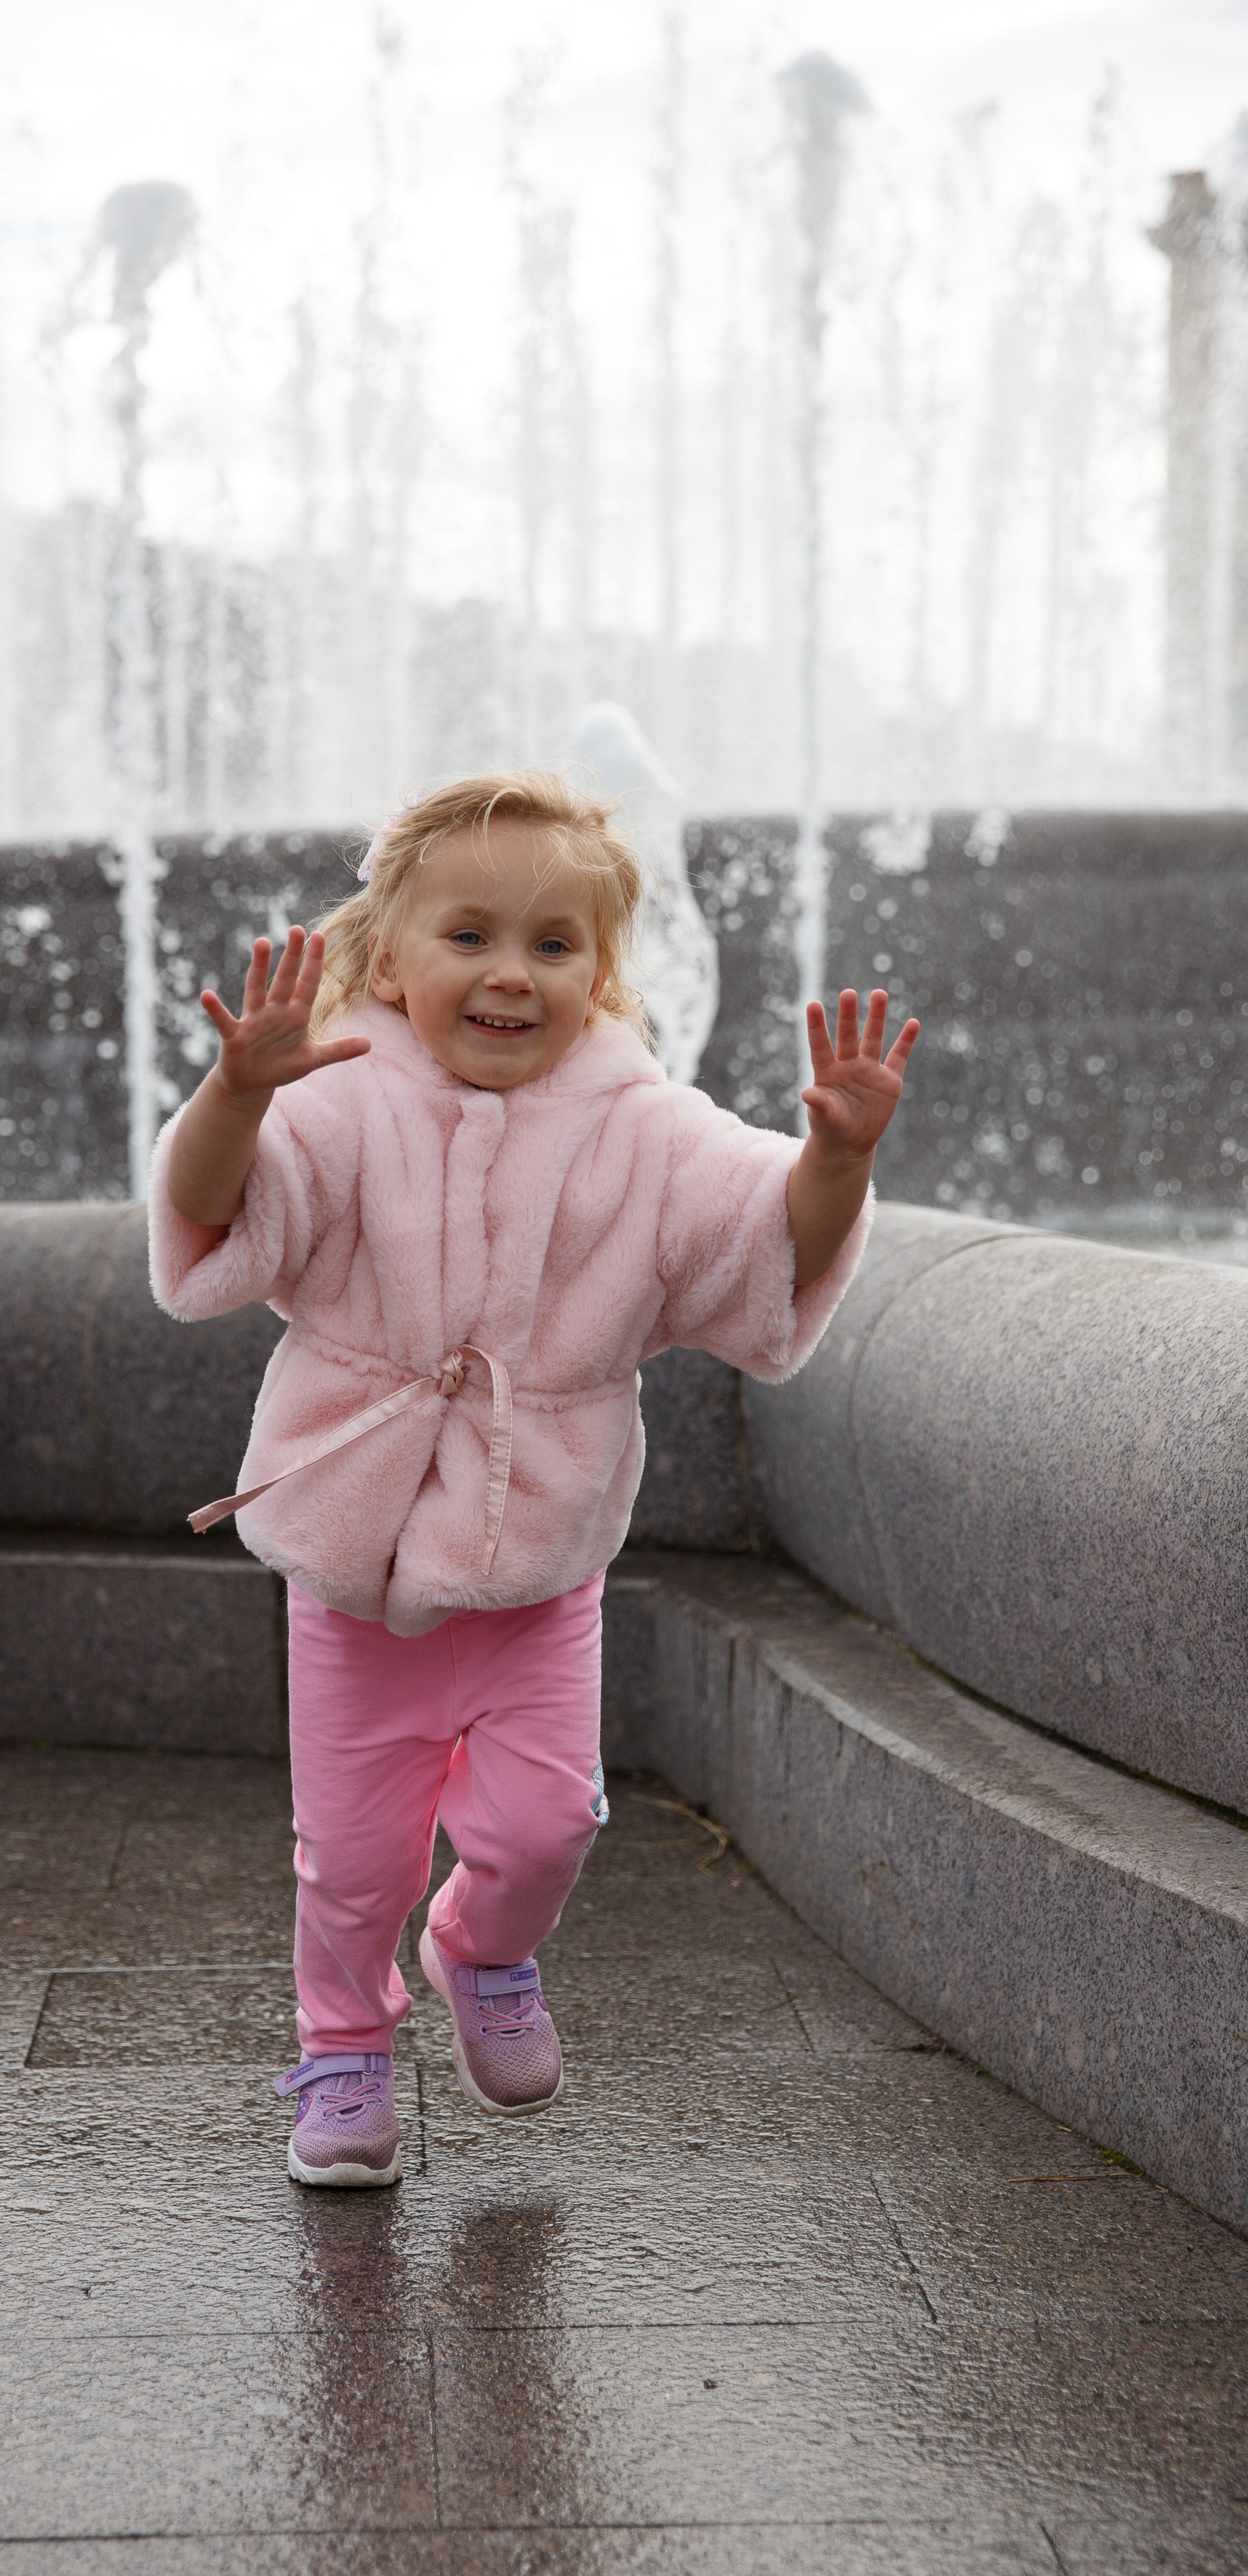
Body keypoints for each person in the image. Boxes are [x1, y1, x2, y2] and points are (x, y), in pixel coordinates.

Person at [151, 770, 918, 2187]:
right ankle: (341, 2052)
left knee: (545, 1822)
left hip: (539, 1563)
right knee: (353, 1856)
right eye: (470, 938)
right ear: (387, 957)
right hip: (356, 1570)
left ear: (600, 976)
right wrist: (232, 1095)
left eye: (553, 947)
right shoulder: (337, 1101)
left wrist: (838, 1158)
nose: (511, 975)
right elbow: (216, 1217)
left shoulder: (639, 1124)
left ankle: (480, 1949)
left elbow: (761, 1242)